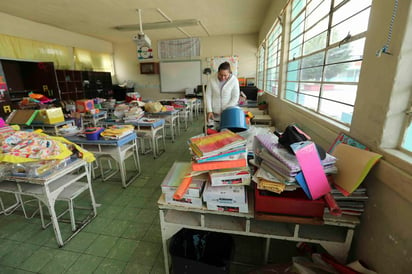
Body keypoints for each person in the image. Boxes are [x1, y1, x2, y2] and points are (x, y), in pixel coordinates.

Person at [205, 62, 240, 128]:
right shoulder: (211, 79)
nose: (223, 78)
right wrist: (209, 110)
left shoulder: (234, 80)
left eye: (225, 75)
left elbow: (235, 98)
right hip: (214, 114)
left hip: (228, 113)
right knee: (213, 134)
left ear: (229, 73)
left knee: (226, 134)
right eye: (220, 75)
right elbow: (208, 95)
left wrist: (225, 109)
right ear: (218, 72)